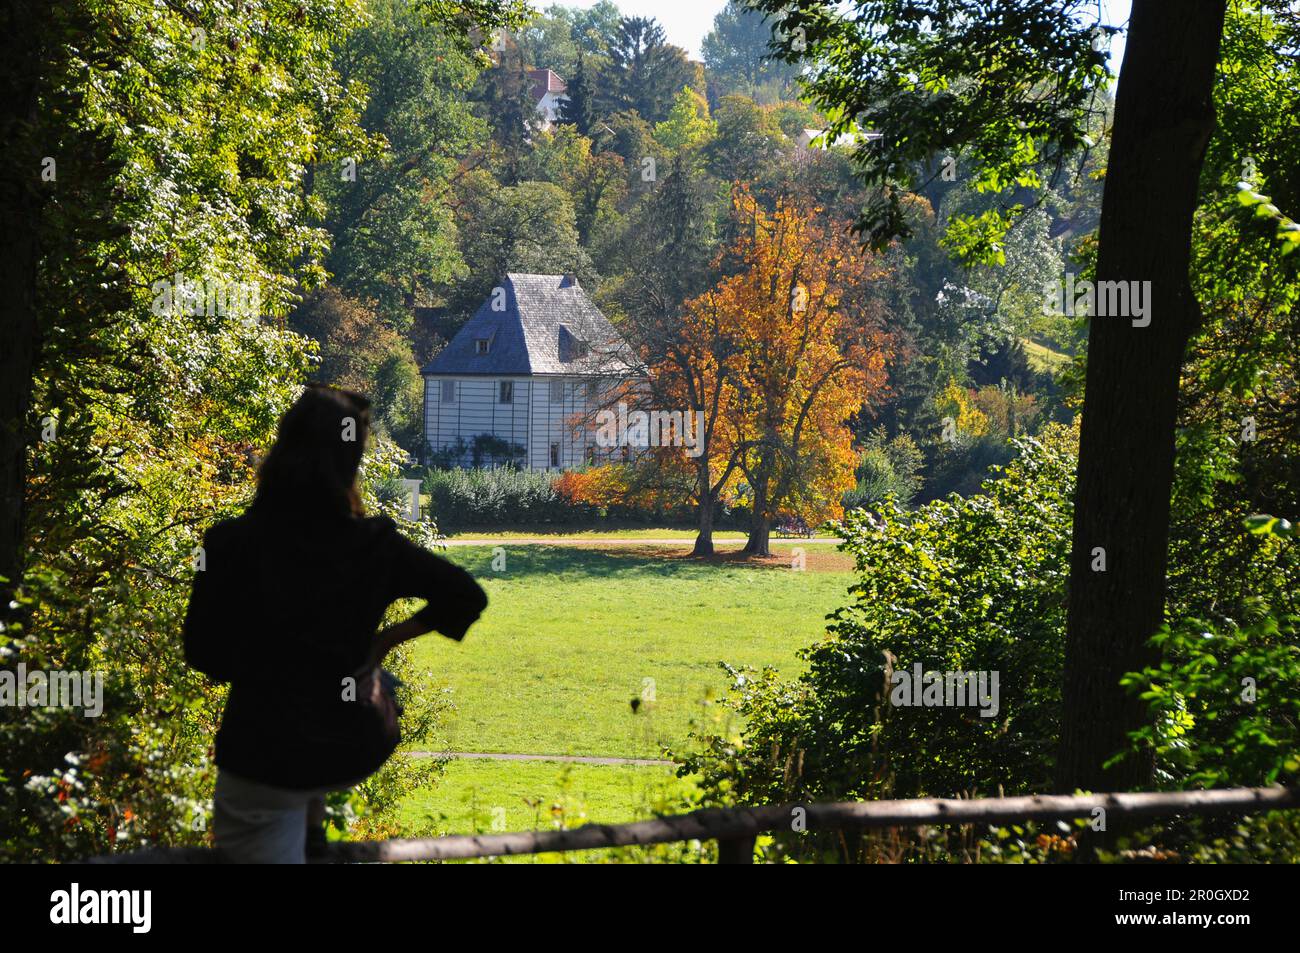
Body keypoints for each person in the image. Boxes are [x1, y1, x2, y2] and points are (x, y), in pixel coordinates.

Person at [182, 385, 487, 863]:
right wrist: (382, 643)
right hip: (351, 741)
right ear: (351, 463)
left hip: (263, 752)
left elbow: (204, 654)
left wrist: (270, 660)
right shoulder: (373, 545)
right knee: (366, 685)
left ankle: (305, 827)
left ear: (280, 450)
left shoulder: (227, 544)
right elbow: (466, 595)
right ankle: (312, 828)